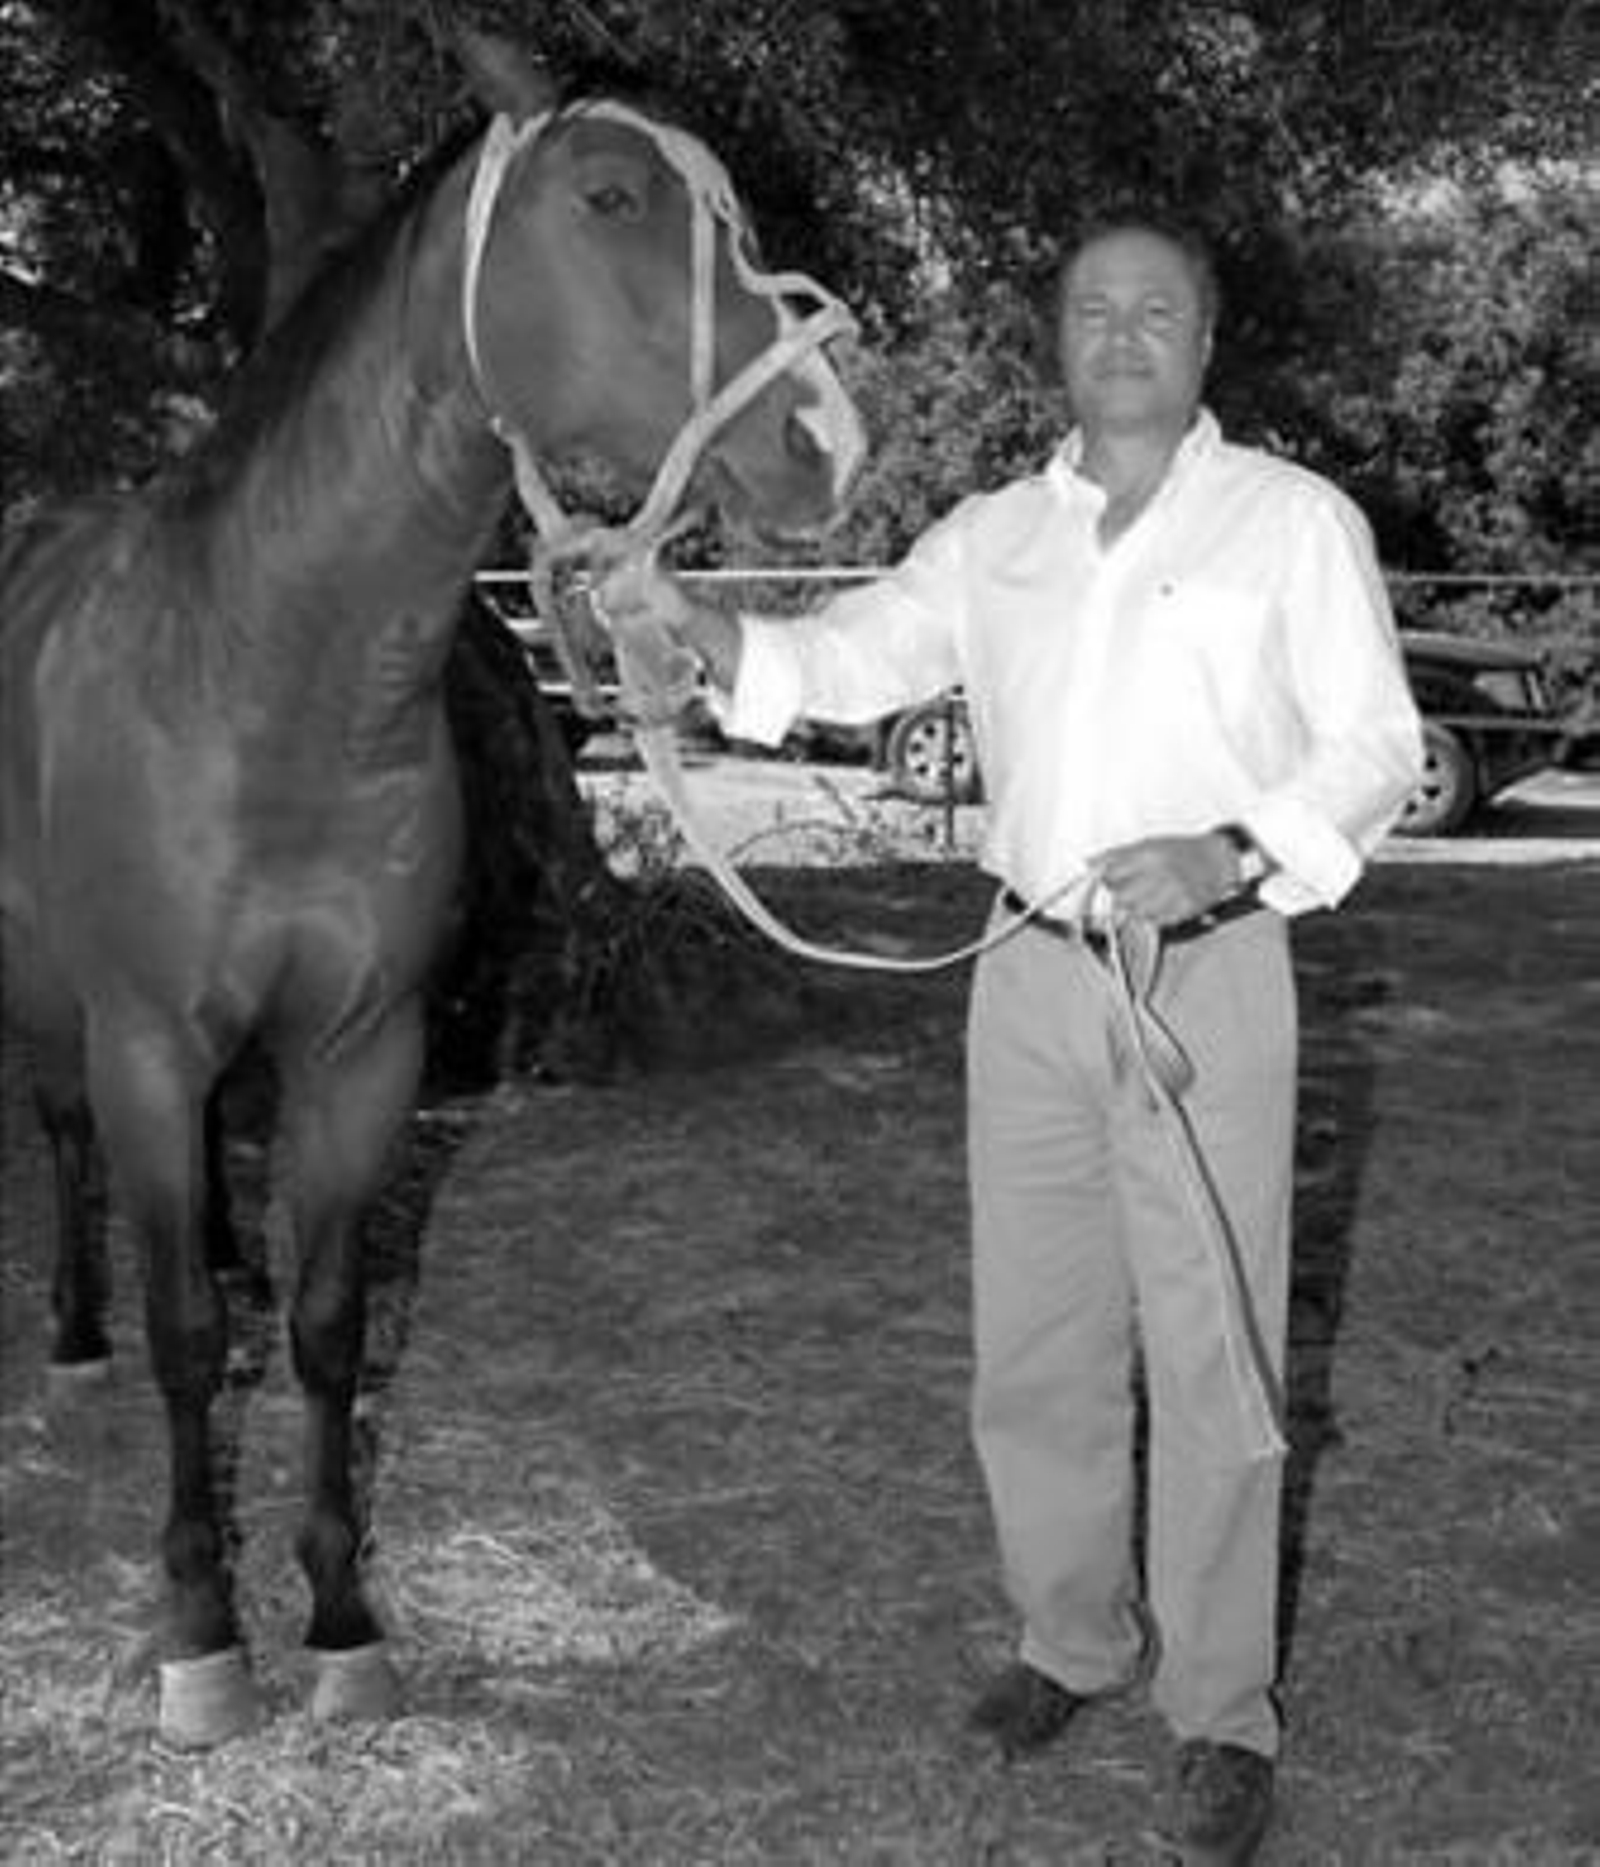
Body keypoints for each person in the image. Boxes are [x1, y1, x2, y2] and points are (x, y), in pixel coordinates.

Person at [598, 216, 1423, 1863]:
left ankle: (1221, 1714)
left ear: (1206, 341)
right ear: (1057, 339)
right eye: (1094, 310)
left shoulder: (1290, 523)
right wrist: (692, 624)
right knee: (1033, 1353)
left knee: (1212, 1365)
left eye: (1159, 310)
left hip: (1204, 976)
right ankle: (1070, 1644)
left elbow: (1378, 747)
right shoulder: (994, 537)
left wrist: (1234, 851)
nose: (1123, 335)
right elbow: (845, 659)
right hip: (1029, 981)